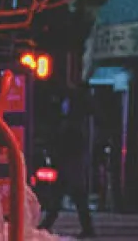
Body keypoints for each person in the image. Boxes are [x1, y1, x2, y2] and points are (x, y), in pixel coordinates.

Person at [38, 93, 97, 237]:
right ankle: (85, 227)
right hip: (70, 162)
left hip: (69, 162)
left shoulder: (71, 125)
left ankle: (48, 223)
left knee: (70, 194)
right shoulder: (75, 123)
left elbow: (68, 142)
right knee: (72, 195)